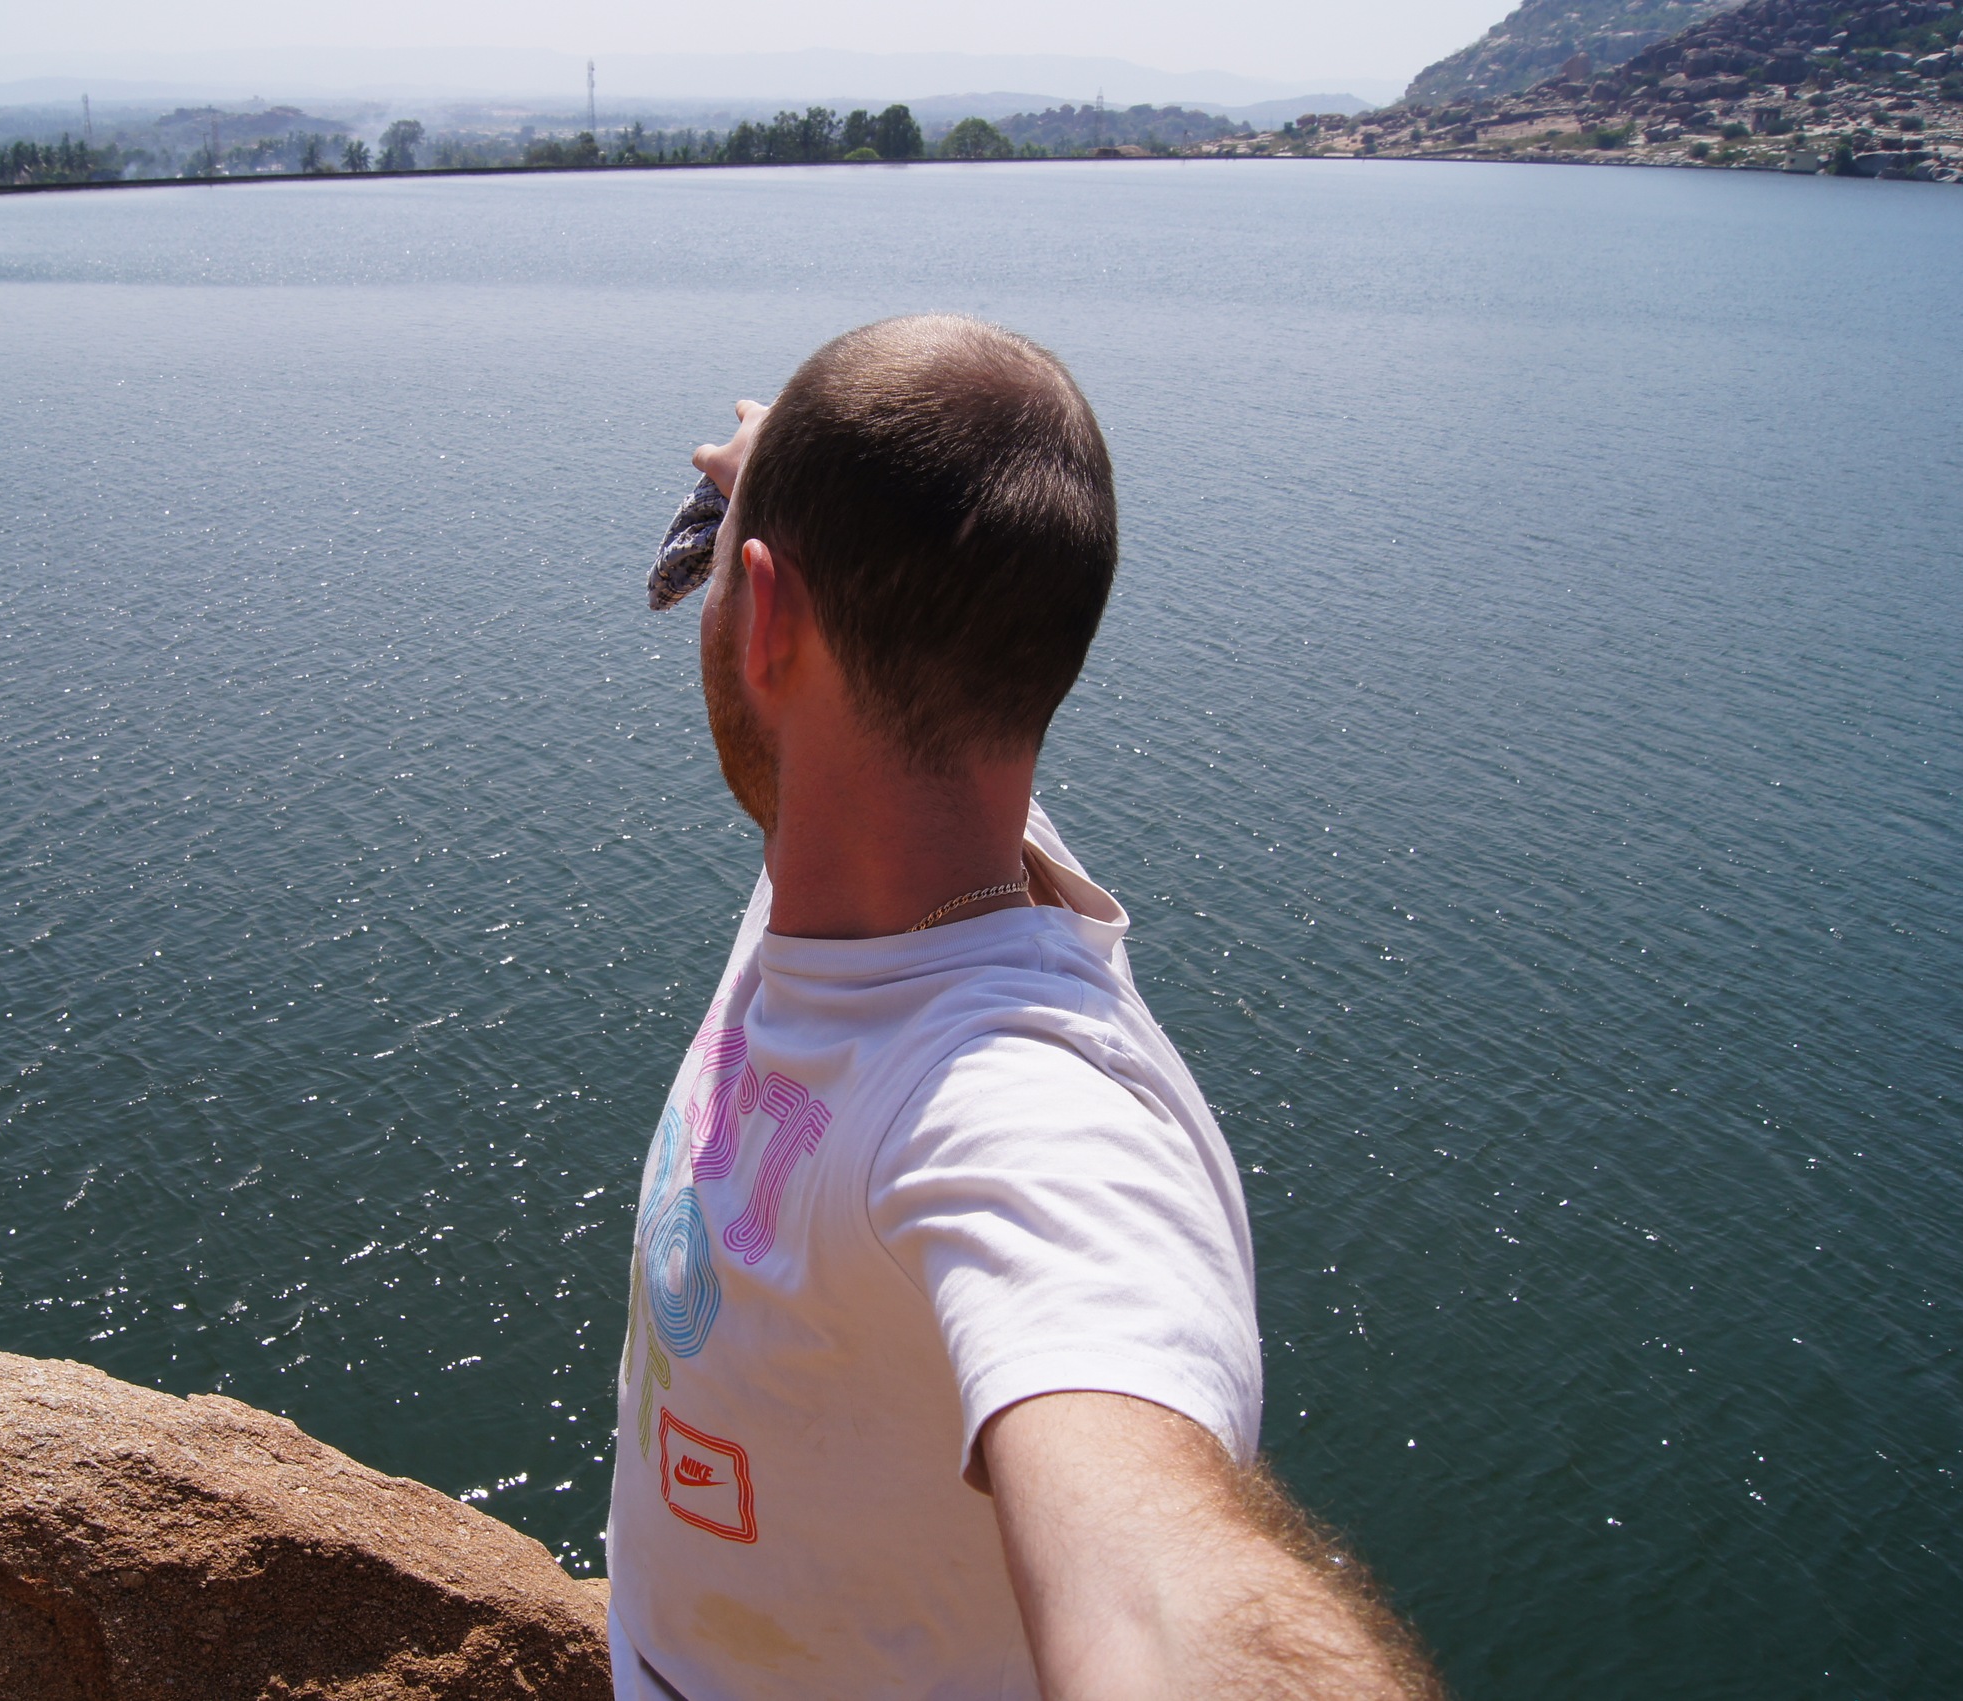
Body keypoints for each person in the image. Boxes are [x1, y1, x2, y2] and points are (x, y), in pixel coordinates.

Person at [608, 315, 1439, 1701]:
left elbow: (1164, 1613)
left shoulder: (1015, 1105)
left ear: (771, 617)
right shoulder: (902, 833)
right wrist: (777, 466)